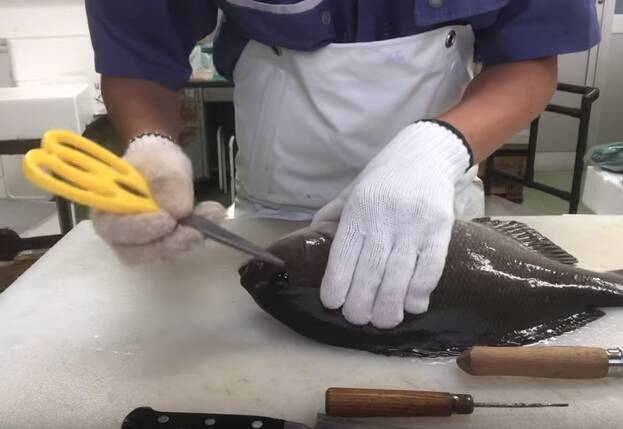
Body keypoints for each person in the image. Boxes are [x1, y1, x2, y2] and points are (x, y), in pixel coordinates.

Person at [85, 1, 600, 329]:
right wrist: (151, 148)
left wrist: (437, 148)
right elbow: (139, 53)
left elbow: (530, 54)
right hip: (273, 209)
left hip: (438, 205)